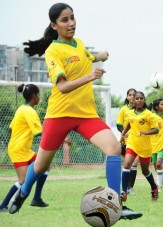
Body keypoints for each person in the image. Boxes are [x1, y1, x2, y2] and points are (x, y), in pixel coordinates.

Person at [9, 3, 142, 220]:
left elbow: (87, 57)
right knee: (41, 165)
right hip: (59, 116)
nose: (71, 23)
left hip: (86, 115)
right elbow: (62, 86)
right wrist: (90, 76)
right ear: (54, 25)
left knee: (114, 148)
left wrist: (101, 55)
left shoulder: (79, 44)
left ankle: (116, 205)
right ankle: (23, 193)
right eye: (64, 20)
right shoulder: (53, 51)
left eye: (72, 18)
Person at [0, 84, 49, 212]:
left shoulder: (21, 108)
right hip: (19, 150)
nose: (39, 97)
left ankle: (37, 198)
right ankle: (2, 206)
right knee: (22, 181)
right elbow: (40, 133)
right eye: (39, 95)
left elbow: (11, 129)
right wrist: (60, 138)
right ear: (34, 96)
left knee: (45, 165)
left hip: (22, 149)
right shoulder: (29, 111)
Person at [120, 91, 159, 201]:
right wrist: (122, 135)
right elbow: (129, 124)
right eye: (137, 98)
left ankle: (154, 187)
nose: (139, 100)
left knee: (145, 171)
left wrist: (147, 132)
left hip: (145, 147)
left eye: (141, 98)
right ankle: (124, 192)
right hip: (132, 143)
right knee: (127, 164)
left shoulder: (149, 114)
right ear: (133, 100)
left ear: (144, 100)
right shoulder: (130, 113)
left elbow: (156, 129)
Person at [116, 88, 139, 195]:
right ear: (127, 97)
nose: (132, 97)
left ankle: (130, 188)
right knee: (127, 165)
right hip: (125, 142)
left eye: (134, 95)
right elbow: (119, 125)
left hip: (136, 141)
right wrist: (124, 133)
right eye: (130, 95)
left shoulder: (140, 110)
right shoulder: (123, 110)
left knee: (134, 164)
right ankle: (124, 188)